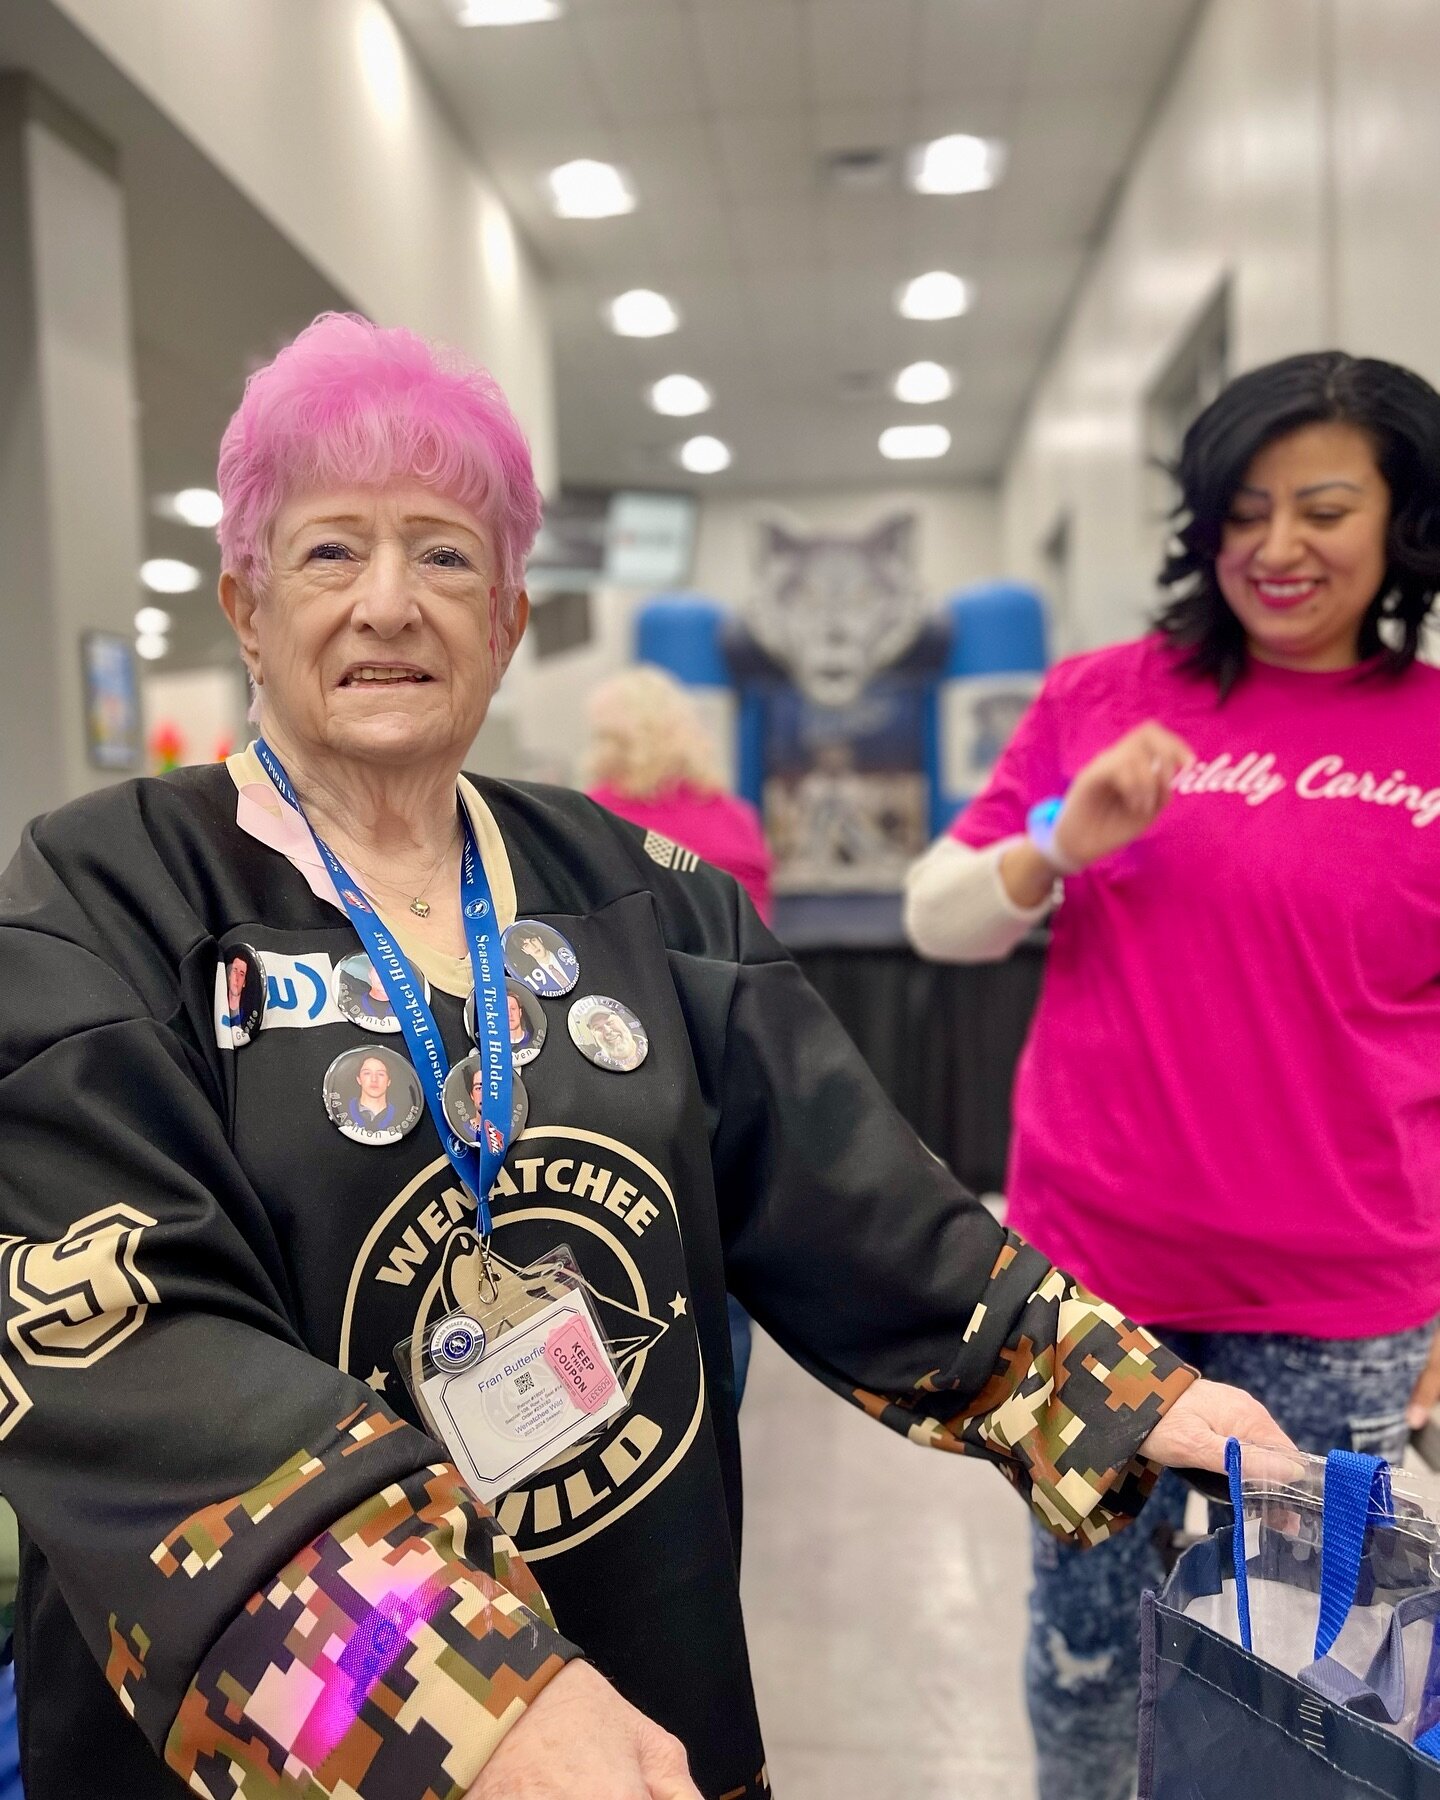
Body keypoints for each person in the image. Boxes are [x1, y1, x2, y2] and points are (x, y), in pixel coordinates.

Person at [0, 312, 1283, 1800]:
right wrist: (447, 1684)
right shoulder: (103, 899)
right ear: (244, 603)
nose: (390, 604)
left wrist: (1117, 1392)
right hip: (313, 1719)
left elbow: (857, 1202)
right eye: (330, 552)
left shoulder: (643, 887)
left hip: (632, 1682)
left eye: (445, 554)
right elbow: (127, 1347)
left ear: (513, 619)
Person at [904, 349, 1440, 1800]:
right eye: (1243, 509)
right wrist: (1056, 844)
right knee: (1085, 1654)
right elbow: (938, 917)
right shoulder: (1102, 698)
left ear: (1402, 523)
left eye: (1323, 507)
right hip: (1098, 1288)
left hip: (1345, 1311)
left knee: (1317, 1687)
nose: (1277, 547)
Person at [584, 665, 773, 1395]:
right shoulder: (735, 821)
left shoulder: (587, 820)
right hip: (723, 1073)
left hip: (618, 1084)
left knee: (618, 1263)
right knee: (721, 1282)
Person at [584, 664, 773, 923]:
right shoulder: (735, 817)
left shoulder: (593, 815)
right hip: (725, 959)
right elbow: (755, 922)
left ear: (616, 741)